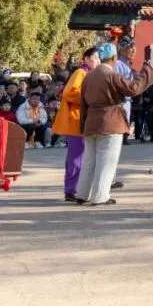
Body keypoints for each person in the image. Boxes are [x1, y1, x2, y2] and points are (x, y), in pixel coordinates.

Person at [76, 43, 153, 206]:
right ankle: (100, 196)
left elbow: (83, 104)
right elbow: (133, 88)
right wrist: (146, 70)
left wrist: (83, 125)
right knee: (106, 161)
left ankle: (82, 194)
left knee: (89, 161)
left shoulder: (88, 76)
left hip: (91, 122)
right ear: (113, 58)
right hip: (110, 121)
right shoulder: (112, 75)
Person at [53, 47, 98, 201]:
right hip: (76, 120)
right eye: (95, 58)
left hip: (84, 120)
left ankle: (77, 188)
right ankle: (71, 190)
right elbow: (70, 93)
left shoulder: (89, 74)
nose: (98, 61)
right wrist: (89, 99)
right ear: (86, 59)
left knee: (82, 156)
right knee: (76, 157)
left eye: (99, 58)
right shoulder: (80, 72)